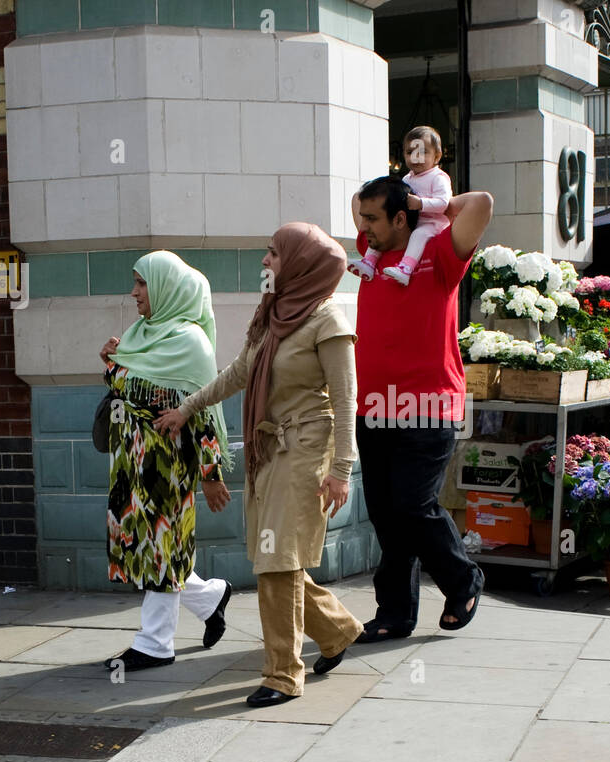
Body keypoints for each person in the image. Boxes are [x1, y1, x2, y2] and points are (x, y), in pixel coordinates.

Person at [154, 223, 363, 708]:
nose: (264, 261)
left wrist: (342, 469)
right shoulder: (274, 315)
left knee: (276, 563)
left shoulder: (328, 320)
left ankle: (283, 675)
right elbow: (238, 373)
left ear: (301, 262)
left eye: (273, 253)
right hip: (270, 451)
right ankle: (338, 631)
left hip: (308, 448)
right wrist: (187, 408)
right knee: (276, 558)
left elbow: (346, 399)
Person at [350, 176, 494, 642]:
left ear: (399, 216)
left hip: (428, 404)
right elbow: (358, 201)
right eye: (365, 217)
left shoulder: (438, 253)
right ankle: (394, 612)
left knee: (413, 506)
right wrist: (390, 200)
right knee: (387, 516)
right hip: (373, 405)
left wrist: (426, 203)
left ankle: (462, 579)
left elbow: (481, 204)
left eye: (374, 218)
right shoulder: (374, 255)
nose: (363, 225)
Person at [99, 251, 234, 672]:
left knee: (159, 547)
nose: (135, 292)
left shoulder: (190, 342)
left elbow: (205, 412)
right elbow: (128, 387)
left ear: (166, 288)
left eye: (142, 284)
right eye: (135, 283)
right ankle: (210, 598)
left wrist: (211, 475)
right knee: (151, 549)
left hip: (167, 469)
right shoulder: (140, 333)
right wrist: (111, 363)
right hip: (129, 466)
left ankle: (155, 643)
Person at [347, 126, 451, 287]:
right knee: (384, 234)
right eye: (410, 153)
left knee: (419, 235)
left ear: (437, 157)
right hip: (410, 222)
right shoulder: (407, 178)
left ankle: (406, 268)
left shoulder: (438, 177)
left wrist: (420, 203)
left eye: (422, 153)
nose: (416, 158)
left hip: (431, 223)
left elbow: (444, 203)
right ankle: (369, 261)